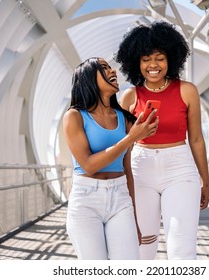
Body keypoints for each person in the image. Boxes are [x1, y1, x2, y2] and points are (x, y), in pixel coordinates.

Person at [115, 21, 209, 260]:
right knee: (143, 246)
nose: (153, 65)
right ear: (136, 62)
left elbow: (196, 138)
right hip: (140, 168)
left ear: (171, 60)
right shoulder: (129, 96)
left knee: (182, 246)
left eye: (160, 58)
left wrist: (205, 182)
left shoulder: (187, 90)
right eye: (146, 59)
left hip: (180, 167)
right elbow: (120, 144)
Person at [63, 57, 159, 259]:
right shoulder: (74, 116)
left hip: (120, 197)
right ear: (88, 77)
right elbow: (88, 165)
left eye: (111, 67)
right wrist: (131, 138)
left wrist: (134, 219)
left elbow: (127, 170)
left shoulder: (123, 118)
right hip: (86, 199)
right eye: (104, 68)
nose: (112, 71)